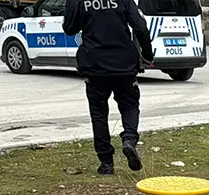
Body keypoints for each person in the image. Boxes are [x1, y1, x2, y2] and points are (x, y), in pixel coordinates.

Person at [64, 0, 155, 175]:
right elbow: (140, 27)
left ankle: (106, 163)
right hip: (124, 63)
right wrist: (147, 54)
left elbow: (69, 28)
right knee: (129, 105)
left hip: (94, 64)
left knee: (99, 114)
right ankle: (129, 138)